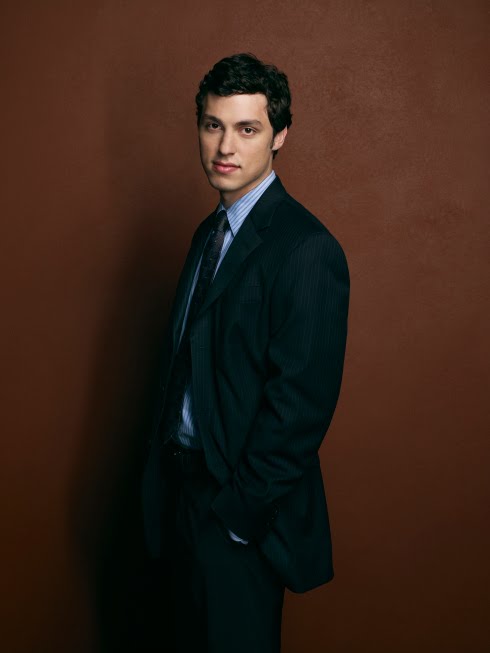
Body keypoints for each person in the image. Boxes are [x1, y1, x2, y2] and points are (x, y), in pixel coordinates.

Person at [141, 52, 350, 653]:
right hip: (178, 501)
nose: (225, 146)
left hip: (236, 516)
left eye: (247, 128)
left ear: (279, 135)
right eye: (213, 125)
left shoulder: (307, 248)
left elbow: (301, 407)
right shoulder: (207, 235)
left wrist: (236, 517)